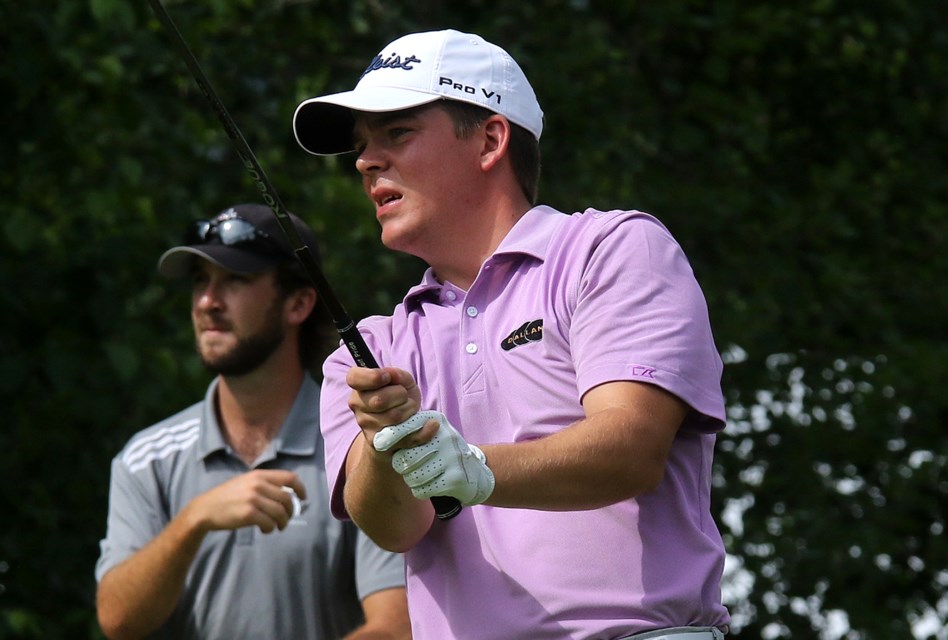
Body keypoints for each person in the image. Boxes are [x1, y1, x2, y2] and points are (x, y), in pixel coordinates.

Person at [292, 29, 730, 640]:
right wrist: (385, 438)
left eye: (397, 133)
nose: (366, 161)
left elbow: (631, 448)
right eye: (363, 145)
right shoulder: (367, 351)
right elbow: (393, 528)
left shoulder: (609, 249)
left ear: (491, 140)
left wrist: (472, 467)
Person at [95, 204, 411, 640]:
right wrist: (194, 520)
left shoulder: (359, 448)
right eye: (200, 282)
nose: (208, 302)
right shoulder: (147, 458)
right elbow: (117, 620)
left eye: (235, 280)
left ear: (298, 303)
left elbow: (395, 628)